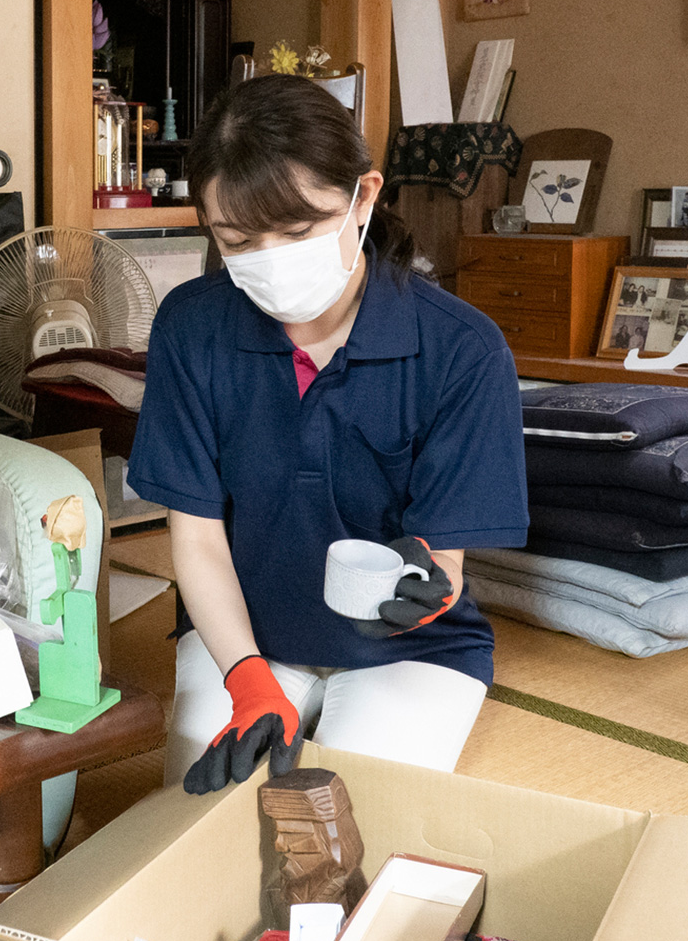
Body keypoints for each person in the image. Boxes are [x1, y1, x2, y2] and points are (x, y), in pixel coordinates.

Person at [127, 75, 528, 795]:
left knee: (352, 811)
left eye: (298, 230)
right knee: (202, 812)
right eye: (237, 239)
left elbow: (443, 560)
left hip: (411, 651)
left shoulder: (462, 350)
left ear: (364, 197)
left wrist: (425, 590)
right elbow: (197, 538)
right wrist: (247, 679)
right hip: (243, 635)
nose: (271, 258)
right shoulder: (191, 328)